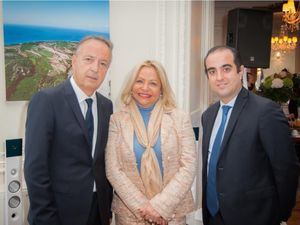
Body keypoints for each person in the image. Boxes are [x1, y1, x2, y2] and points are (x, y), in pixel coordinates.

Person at [201, 45, 299, 225]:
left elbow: (287, 169)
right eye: (212, 71)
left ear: (240, 71)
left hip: (254, 217)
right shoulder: (208, 116)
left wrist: (280, 215)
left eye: (226, 69)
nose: (219, 77)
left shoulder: (266, 111)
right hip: (213, 216)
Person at [24, 36, 113, 225]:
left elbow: (102, 162)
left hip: (98, 211)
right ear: (74, 61)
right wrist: (46, 218)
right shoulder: (46, 101)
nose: (95, 68)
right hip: (59, 214)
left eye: (103, 63)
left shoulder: (107, 106)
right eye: (88, 59)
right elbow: (35, 169)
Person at [105, 60, 196, 225]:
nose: (145, 88)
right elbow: (113, 169)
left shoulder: (179, 118)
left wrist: (160, 207)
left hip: (171, 216)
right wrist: (146, 209)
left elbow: (188, 167)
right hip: (130, 217)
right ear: (131, 85)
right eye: (139, 81)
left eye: (153, 83)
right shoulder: (117, 120)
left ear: (162, 88)